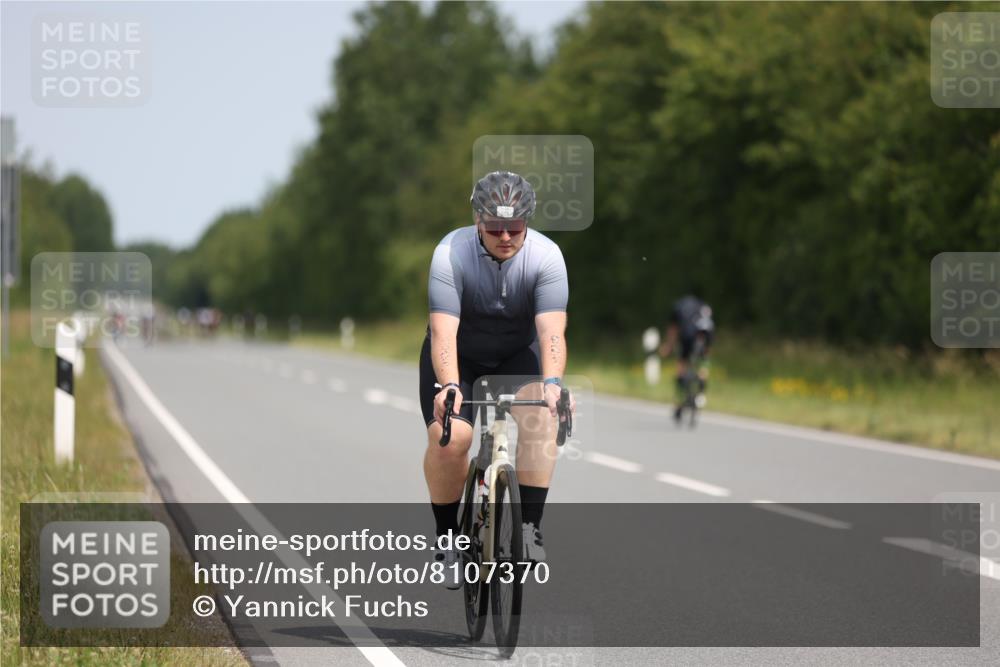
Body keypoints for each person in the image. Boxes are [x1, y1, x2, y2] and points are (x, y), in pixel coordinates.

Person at [419, 170, 571, 589]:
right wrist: (449, 386)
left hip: (516, 356)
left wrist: (553, 384)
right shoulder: (451, 254)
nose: (505, 236)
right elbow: (444, 333)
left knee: (542, 419)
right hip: (460, 359)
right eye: (494, 226)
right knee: (453, 441)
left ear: (529, 222)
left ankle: (529, 529)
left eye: (515, 226)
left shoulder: (546, 257)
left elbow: (552, 333)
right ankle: (448, 539)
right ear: (477, 221)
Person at [659, 294, 714, 422]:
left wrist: (668, 346)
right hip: (706, 332)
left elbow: (673, 329)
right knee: (705, 357)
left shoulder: (679, 306)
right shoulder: (703, 306)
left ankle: (679, 402)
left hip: (687, 335)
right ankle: (701, 382)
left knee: (681, 366)